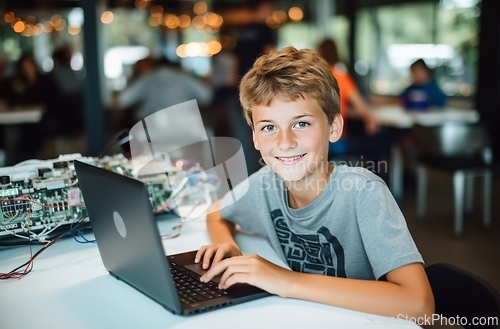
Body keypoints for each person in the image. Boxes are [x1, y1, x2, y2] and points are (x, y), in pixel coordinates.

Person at [194, 47, 434, 318]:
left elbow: (419, 305)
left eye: (301, 124)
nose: (284, 142)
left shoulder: (363, 193)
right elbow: (217, 212)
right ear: (255, 139)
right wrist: (228, 246)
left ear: (333, 128)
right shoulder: (265, 184)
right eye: (269, 127)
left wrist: (286, 281)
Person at [114, 57, 213, 122]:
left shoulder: (147, 78)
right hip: (185, 128)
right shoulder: (184, 77)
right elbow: (207, 96)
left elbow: (123, 100)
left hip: (153, 129)